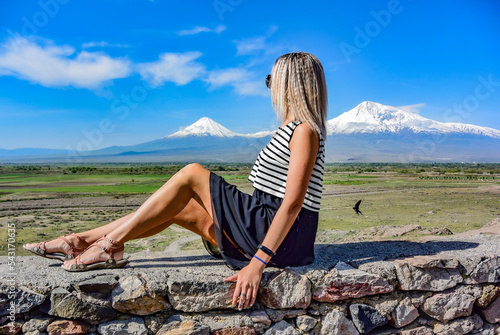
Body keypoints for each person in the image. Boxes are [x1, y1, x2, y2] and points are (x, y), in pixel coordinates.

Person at [23, 51, 328, 311]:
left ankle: (108, 244)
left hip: (284, 239)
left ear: (290, 85)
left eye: (271, 80)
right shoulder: (292, 129)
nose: (269, 87)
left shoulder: (304, 131)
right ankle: (80, 241)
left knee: (192, 172)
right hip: (270, 227)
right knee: (176, 208)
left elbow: (292, 203)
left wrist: (257, 264)